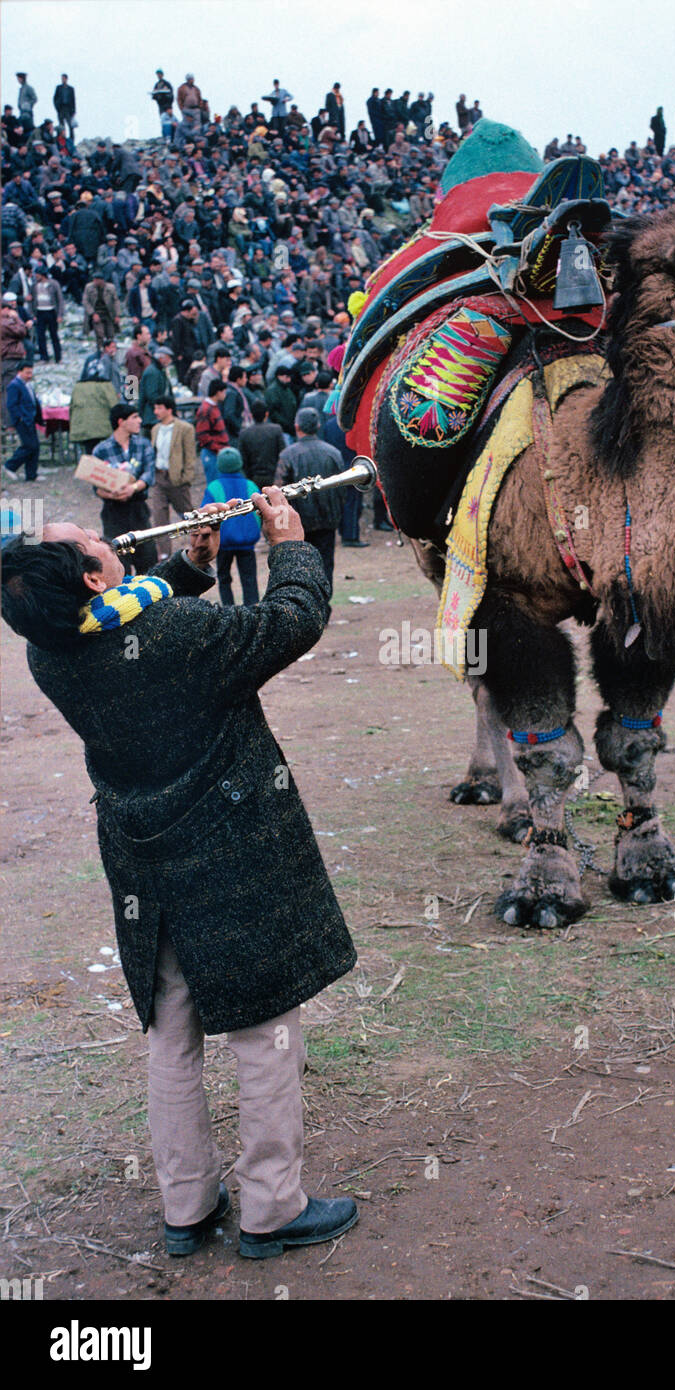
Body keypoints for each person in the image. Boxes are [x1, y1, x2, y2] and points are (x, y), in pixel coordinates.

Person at [0, 491, 359, 1260]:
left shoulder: (49, 648)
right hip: (229, 846)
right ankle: (271, 1208)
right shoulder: (174, 635)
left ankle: (186, 1208)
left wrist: (190, 564)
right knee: (263, 1029)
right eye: (91, 543)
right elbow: (287, 623)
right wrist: (289, 544)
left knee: (172, 1032)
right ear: (95, 580)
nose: (106, 541)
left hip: (143, 861)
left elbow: (133, 618)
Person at [278, 407, 343, 606]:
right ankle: (323, 606)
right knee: (325, 565)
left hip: (300, 523)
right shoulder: (333, 453)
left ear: (297, 427)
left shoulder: (288, 455)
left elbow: (279, 493)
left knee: (301, 567)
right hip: (327, 520)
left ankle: (307, 607)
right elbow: (342, 489)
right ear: (318, 426)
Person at [92, 402, 157, 573]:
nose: (140, 421)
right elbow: (96, 486)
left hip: (138, 510)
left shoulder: (143, 444)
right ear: (121, 421)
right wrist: (113, 494)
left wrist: (133, 488)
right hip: (113, 513)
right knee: (119, 566)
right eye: (135, 417)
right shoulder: (101, 450)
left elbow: (149, 475)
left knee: (149, 563)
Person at [201, 445, 262, 605]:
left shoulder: (214, 487)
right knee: (249, 578)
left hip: (223, 542)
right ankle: (252, 609)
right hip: (247, 543)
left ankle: (228, 609)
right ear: (239, 463)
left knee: (224, 578)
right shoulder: (251, 485)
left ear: (219, 465)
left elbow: (206, 513)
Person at [150, 395, 199, 559]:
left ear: (169, 409)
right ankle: (164, 553)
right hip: (159, 476)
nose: (156, 411)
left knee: (187, 513)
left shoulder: (184, 428)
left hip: (177, 478)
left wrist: (186, 477)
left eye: (159, 408)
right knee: (159, 516)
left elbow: (190, 455)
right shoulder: (155, 429)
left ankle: (199, 543)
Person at [3, 363, 43, 483]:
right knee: (29, 445)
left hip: (30, 419)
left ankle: (31, 474)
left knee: (35, 446)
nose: (30, 375)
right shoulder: (14, 385)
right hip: (23, 420)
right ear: (19, 372)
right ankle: (10, 466)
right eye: (27, 373)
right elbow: (11, 405)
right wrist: (20, 418)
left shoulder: (27, 385)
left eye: (31, 372)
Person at [239, 398, 284, 490]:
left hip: (254, 478)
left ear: (251, 415)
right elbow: (282, 453)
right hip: (274, 476)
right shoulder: (276, 430)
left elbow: (243, 459)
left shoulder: (244, 434)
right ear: (266, 414)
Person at [195, 378, 230, 482]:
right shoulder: (206, 409)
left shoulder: (213, 407)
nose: (225, 394)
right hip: (212, 454)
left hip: (217, 453)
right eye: (224, 392)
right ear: (218, 392)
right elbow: (202, 435)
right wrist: (217, 448)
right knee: (215, 484)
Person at [138, 343, 175, 428]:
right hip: (152, 417)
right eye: (168, 358)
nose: (170, 361)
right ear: (161, 358)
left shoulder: (158, 370)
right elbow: (152, 396)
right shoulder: (153, 372)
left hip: (156, 415)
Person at [32, 266, 64, 364]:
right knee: (41, 335)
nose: (36, 276)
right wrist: (33, 314)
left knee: (54, 335)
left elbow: (60, 300)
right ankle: (44, 357)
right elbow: (32, 300)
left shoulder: (53, 284)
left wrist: (60, 315)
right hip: (39, 312)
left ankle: (58, 357)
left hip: (51, 312)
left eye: (37, 274)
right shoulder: (34, 285)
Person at [82, 272, 121, 347]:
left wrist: (117, 315)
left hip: (108, 314)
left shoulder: (111, 288)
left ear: (102, 280)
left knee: (111, 334)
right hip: (96, 313)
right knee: (100, 334)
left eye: (97, 280)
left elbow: (116, 301)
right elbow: (85, 301)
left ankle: (110, 351)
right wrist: (93, 313)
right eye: (94, 279)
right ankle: (100, 350)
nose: (95, 281)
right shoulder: (88, 287)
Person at [53, 74, 76, 141]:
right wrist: (57, 107)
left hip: (68, 109)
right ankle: (61, 139)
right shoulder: (58, 88)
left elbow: (73, 100)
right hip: (61, 108)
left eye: (63, 78)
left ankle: (72, 139)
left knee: (70, 125)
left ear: (66, 79)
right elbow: (55, 98)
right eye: (62, 79)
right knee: (61, 125)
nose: (62, 80)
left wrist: (74, 110)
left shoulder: (71, 89)